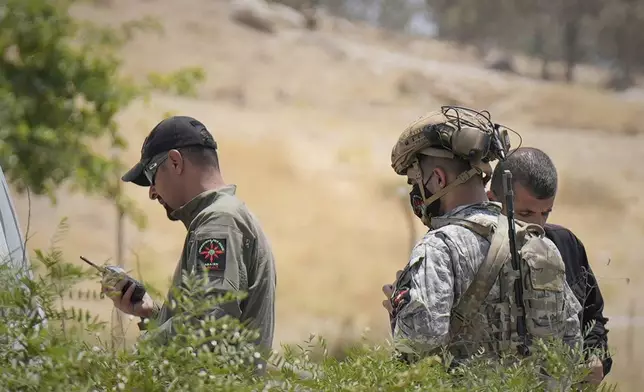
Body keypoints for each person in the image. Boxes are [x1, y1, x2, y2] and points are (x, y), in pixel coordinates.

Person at [382, 106, 583, 366]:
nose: (416, 191)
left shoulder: (440, 248)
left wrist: (399, 313)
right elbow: (571, 353)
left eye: (415, 181)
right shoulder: (540, 245)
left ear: (438, 179)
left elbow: (415, 357)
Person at [103, 115, 277, 354]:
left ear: (175, 162)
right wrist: (150, 312)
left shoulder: (219, 223)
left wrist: (142, 351)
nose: (152, 193)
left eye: (151, 177)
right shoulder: (223, 217)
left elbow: (208, 325)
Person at [487, 147, 612, 385]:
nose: (538, 224)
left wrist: (597, 359)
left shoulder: (566, 245)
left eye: (545, 213)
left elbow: (592, 316)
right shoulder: (475, 253)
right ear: (492, 200)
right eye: (525, 213)